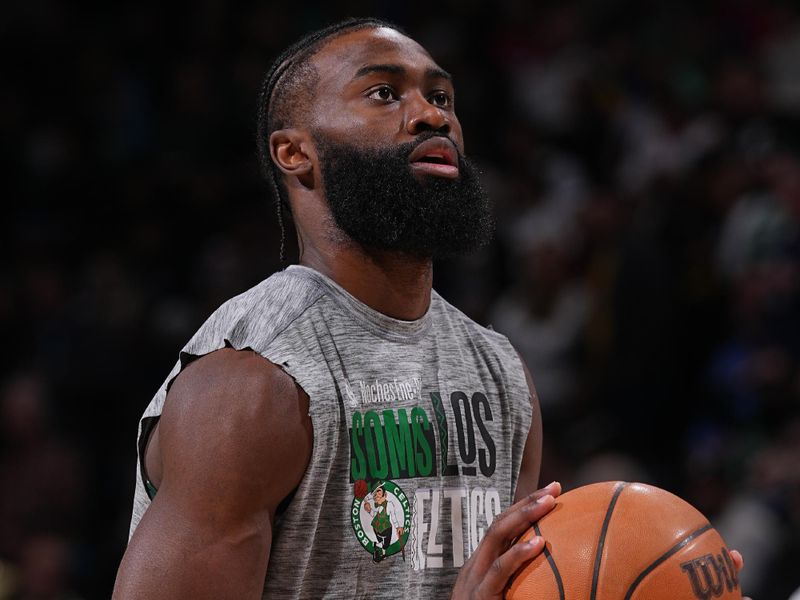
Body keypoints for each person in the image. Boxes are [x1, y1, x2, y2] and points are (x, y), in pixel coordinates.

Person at [112, 17, 747, 599]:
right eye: (384, 93)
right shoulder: (252, 384)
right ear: (295, 153)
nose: (429, 116)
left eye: (440, 97)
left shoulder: (499, 372)